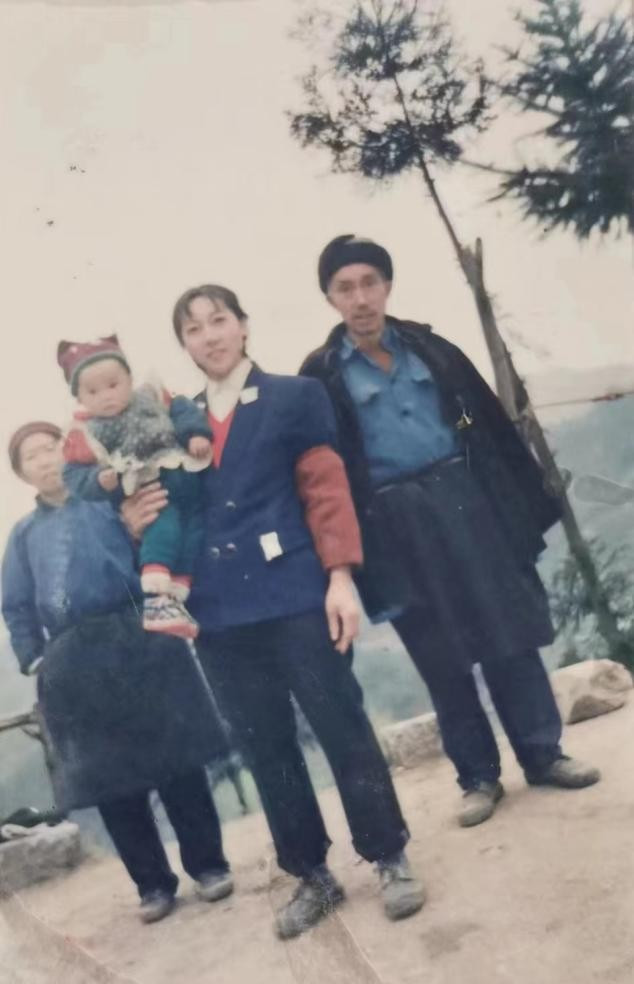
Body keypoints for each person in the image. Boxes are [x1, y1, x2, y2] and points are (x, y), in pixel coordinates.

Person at [131, 283, 425, 939]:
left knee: (342, 725)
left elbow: (326, 492)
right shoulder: (176, 425)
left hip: (295, 592)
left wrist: (340, 579)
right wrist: (134, 512)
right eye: (193, 328)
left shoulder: (295, 396)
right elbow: (162, 511)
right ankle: (311, 874)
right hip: (217, 612)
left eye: (219, 320)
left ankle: (389, 856)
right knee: (265, 745)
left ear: (242, 325)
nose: (209, 336)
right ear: (183, 344)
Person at [300, 234, 600, 829]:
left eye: (370, 283)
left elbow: (484, 423)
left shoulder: (432, 350)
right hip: (393, 527)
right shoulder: (320, 378)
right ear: (330, 297)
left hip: (467, 503)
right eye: (345, 288)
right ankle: (478, 778)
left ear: (387, 286)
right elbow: (321, 470)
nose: (360, 298)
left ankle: (544, 754)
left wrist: (517, 508)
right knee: (440, 654)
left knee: (509, 634)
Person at [2, 422, 233, 924]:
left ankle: (209, 866)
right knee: (112, 782)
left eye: (50, 448)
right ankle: (152, 885)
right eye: (31, 456)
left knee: (178, 761)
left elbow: (159, 544)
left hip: (139, 632)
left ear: (70, 451)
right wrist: (36, 657)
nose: (44, 460)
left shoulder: (111, 501)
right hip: (75, 658)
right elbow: (15, 605)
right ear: (21, 474)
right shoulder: (23, 537)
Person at [57, 334, 213, 638]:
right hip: (148, 484)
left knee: (194, 531)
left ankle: (177, 595)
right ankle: (156, 594)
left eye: (113, 385)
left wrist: (195, 434)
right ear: (80, 398)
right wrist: (99, 480)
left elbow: (183, 409)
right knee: (164, 529)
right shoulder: (86, 433)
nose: (106, 396)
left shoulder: (151, 396)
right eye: (93, 391)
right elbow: (73, 475)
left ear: (129, 380)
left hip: (185, 473)